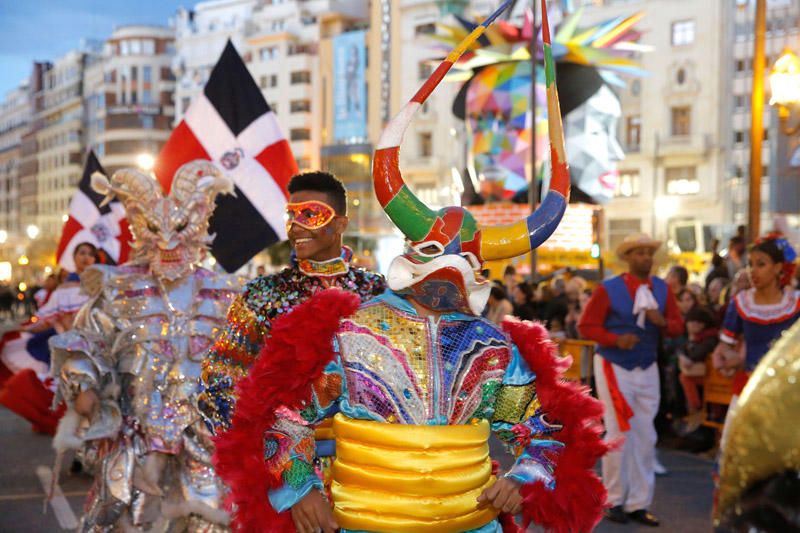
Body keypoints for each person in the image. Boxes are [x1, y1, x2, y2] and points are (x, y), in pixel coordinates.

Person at [214, 11, 610, 532]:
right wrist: (298, 487)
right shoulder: (350, 332)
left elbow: (544, 428)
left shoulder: (492, 349)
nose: (446, 270)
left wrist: (524, 476)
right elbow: (282, 411)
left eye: (462, 260)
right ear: (410, 254)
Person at [48, 162, 245, 530]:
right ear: (140, 228)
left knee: (210, 518)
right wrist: (83, 385)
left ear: (200, 223)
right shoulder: (119, 288)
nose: (169, 242)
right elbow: (88, 340)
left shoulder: (225, 292)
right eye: (156, 229)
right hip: (135, 431)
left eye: (180, 228)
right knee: (127, 519)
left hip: (205, 435)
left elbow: (248, 357)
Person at [578, 233, 685, 526]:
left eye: (649, 253)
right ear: (627, 258)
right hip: (614, 365)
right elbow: (586, 325)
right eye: (638, 253)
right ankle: (614, 500)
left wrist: (662, 323)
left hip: (648, 365)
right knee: (618, 432)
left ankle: (639, 502)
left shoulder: (662, 289)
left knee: (646, 435)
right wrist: (614, 339)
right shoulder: (608, 289)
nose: (645, 258)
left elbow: (678, 327)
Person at [713, 233, 800, 395]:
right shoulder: (741, 303)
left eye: (761, 264)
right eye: (750, 264)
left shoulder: (795, 304)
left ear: (778, 267)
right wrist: (730, 356)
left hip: (787, 389)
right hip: (750, 387)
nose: (753, 271)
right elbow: (724, 346)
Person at [677, 306, 718, 434]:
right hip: (700, 374)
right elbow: (681, 351)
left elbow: (697, 355)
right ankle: (691, 410)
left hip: (713, 377)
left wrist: (686, 356)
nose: (695, 324)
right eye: (692, 321)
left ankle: (695, 409)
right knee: (682, 376)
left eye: (699, 322)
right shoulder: (689, 338)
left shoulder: (710, 337)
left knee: (684, 377)